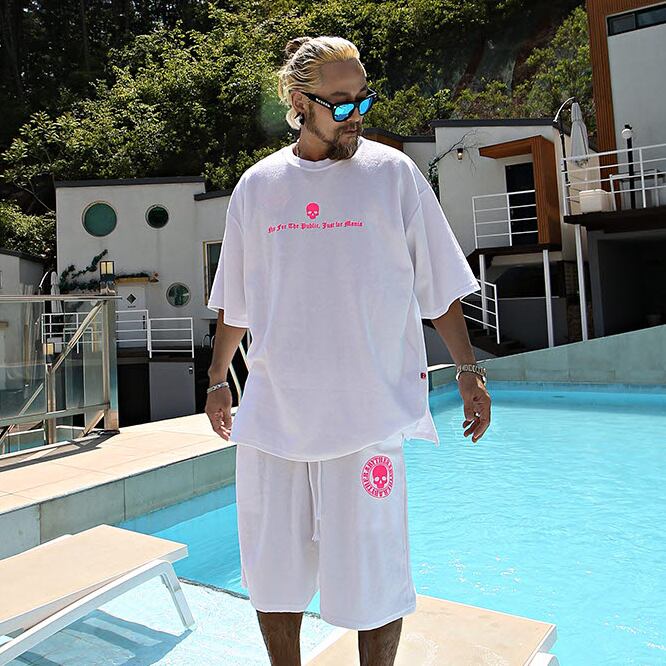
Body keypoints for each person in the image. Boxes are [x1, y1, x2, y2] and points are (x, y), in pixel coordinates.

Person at [205, 35, 492, 666]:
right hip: (275, 419)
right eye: (339, 104)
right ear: (297, 102)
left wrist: (468, 369)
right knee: (272, 577)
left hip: (368, 418)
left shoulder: (393, 175)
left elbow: (437, 284)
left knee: (375, 583)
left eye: (362, 99)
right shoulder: (258, 186)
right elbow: (236, 300)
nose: (355, 115)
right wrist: (219, 377)